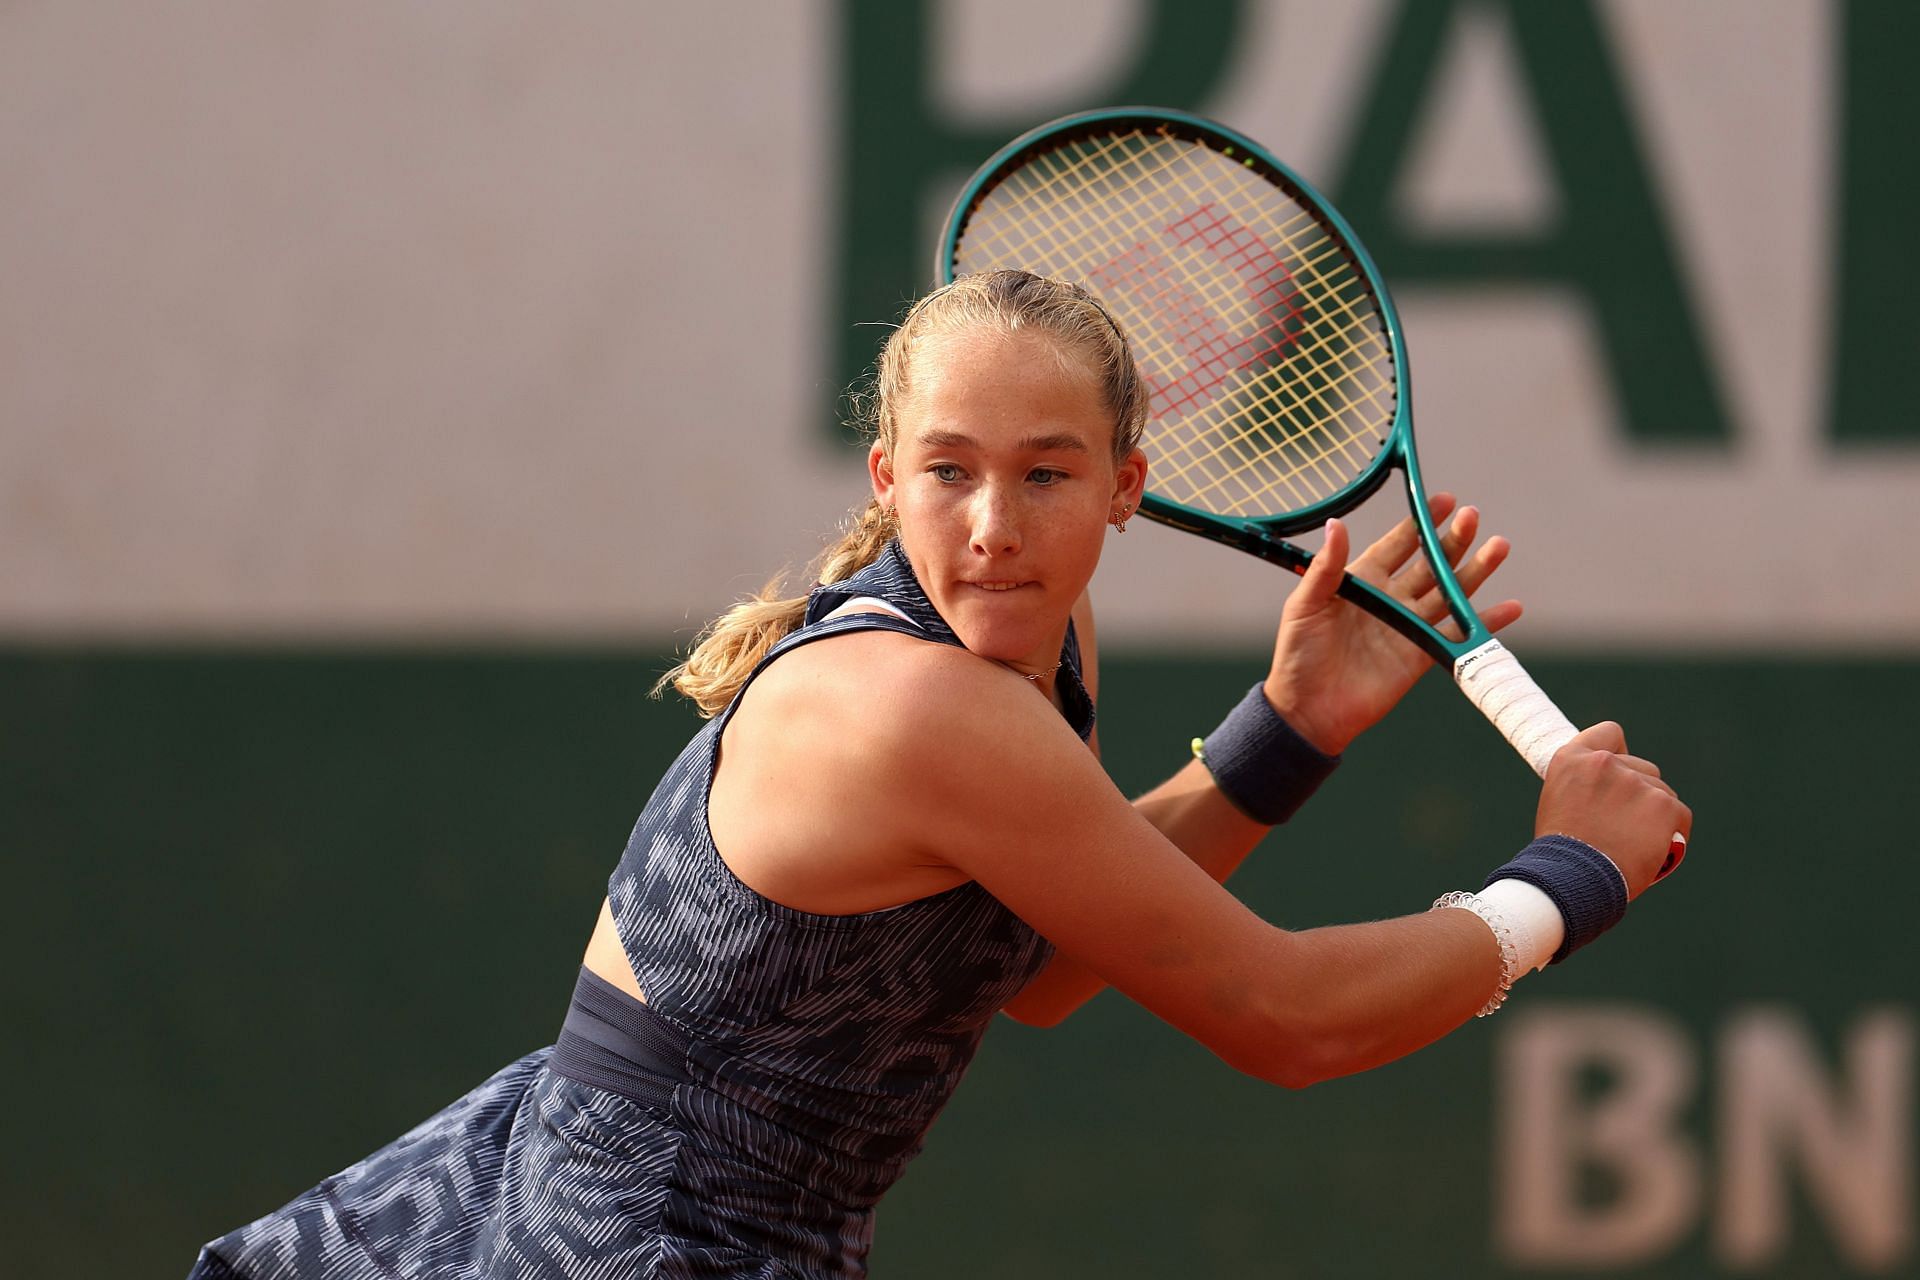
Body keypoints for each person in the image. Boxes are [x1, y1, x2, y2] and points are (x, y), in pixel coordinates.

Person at [187, 270, 1691, 1279]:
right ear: (886, 477)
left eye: (1046, 473)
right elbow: (1282, 1021)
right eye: (948, 470)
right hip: (630, 1241)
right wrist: (1565, 879)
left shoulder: (1036, 647)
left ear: (1125, 486)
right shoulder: (921, 709)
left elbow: (1030, 965)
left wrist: (1282, 733)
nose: (992, 524)